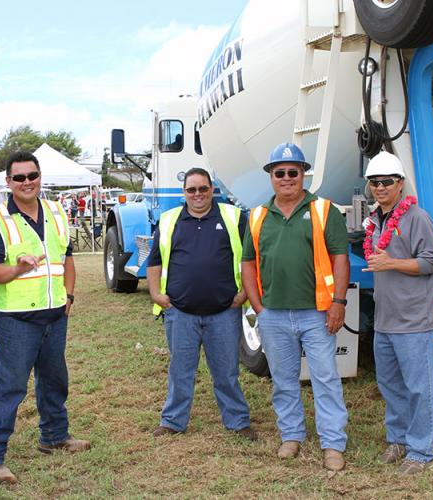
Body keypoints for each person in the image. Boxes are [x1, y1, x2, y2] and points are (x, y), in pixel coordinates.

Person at [0, 150, 89, 485]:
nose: (28, 183)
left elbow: (66, 258)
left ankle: (55, 436)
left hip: (55, 315)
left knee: (55, 379)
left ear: (40, 177)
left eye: (33, 176)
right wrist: (18, 268)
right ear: (8, 182)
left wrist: (68, 295)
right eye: (20, 178)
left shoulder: (56, 212)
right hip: (17, 319)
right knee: (8, 387)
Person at [241, 143, 350, 472]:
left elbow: (340, 259)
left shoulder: (323, 210)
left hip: (316, 314)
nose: (286, 178)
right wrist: (258, 306)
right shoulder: (259, 215)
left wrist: (338, 303)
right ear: (271, 177)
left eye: (293, 172)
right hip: (273, 314)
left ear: (303, 174)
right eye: (280, 173)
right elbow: (247, 263)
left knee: (326, 379)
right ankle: (291, 436)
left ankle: (333, 444)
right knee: (284, 380)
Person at [146, 167, 256, 441]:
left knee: (227, 372)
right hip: (180, 313)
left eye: (203, 189)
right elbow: (154, 262)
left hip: (224, 313)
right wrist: (156, 295)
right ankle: (173, 421)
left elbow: (251, 259)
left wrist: (244, 293)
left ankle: (237, 421)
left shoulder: (233, 217)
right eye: (191, 189)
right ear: (184, 193)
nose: (198, 194)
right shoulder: (169, 220)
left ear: (212, 190)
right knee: (180, 371)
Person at [362, 151, 433, 475]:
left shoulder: (416, 217)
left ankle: (421, 451)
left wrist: (391, 263)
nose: (380, 187)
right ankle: (398, 440)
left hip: (413, 322)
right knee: (391, 385)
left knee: (419, 388)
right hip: (385, 321)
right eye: (374, 182)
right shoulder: (375, 220)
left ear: (399, 184)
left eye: (386, 182)